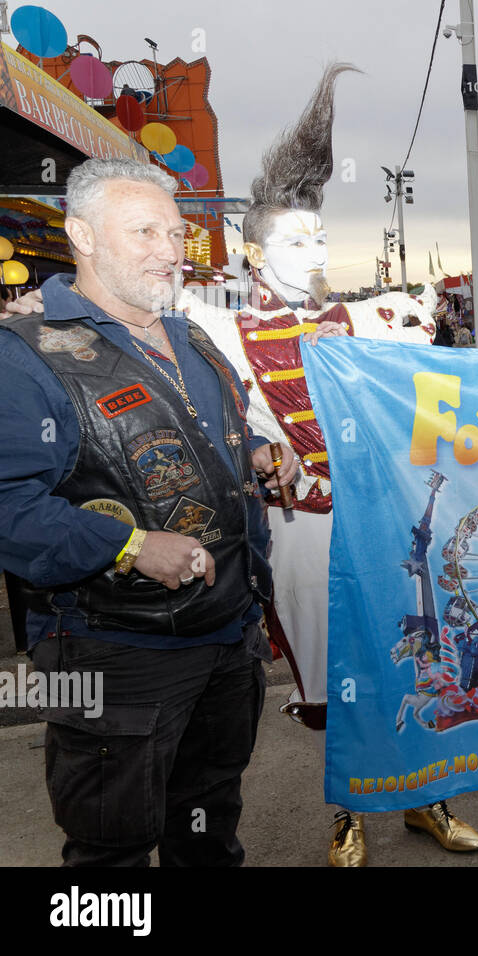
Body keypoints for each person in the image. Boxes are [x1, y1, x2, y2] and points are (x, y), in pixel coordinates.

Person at [7, 64, 478, 867]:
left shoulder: (365, 320)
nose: (166, 251)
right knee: (321, 684)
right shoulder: (200, 329)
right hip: (193, 595)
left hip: (330, 546)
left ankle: (425, 795)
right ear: (254, 254)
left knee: (410, 657)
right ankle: (351, 810)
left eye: (322, 236)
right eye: (143, 232)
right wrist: (36, 315)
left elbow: (437, 416)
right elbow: (19, 497)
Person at [0, 158, 296, 865]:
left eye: (175, 233)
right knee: (112, 852)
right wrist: (128, 547)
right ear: (82, 235)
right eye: (144, 232)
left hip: (227, 636)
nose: (171, 252)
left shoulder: (190, 339)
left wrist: (254, 450)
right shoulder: (27, 355)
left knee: (209, 825)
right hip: (117, 655)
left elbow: (194, 431)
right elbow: (10, 508)